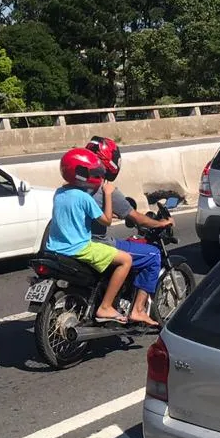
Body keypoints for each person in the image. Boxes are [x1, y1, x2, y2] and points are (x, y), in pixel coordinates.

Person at [84, 136, 172, 328]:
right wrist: (161, 223)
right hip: (99, 244)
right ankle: (138, 310)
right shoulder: (106, 189)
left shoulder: (77, 186)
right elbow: (136, 217)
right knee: (153, 254)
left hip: (78, 242)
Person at [45, 147, 133, 325]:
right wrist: (108, 194)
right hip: (80, 248)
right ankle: (106, 306)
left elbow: (75, 214)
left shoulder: (59, 193)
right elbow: (107, 220)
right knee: (126, 260)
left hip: (55, 248)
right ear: (82, 174)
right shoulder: (84, 197)